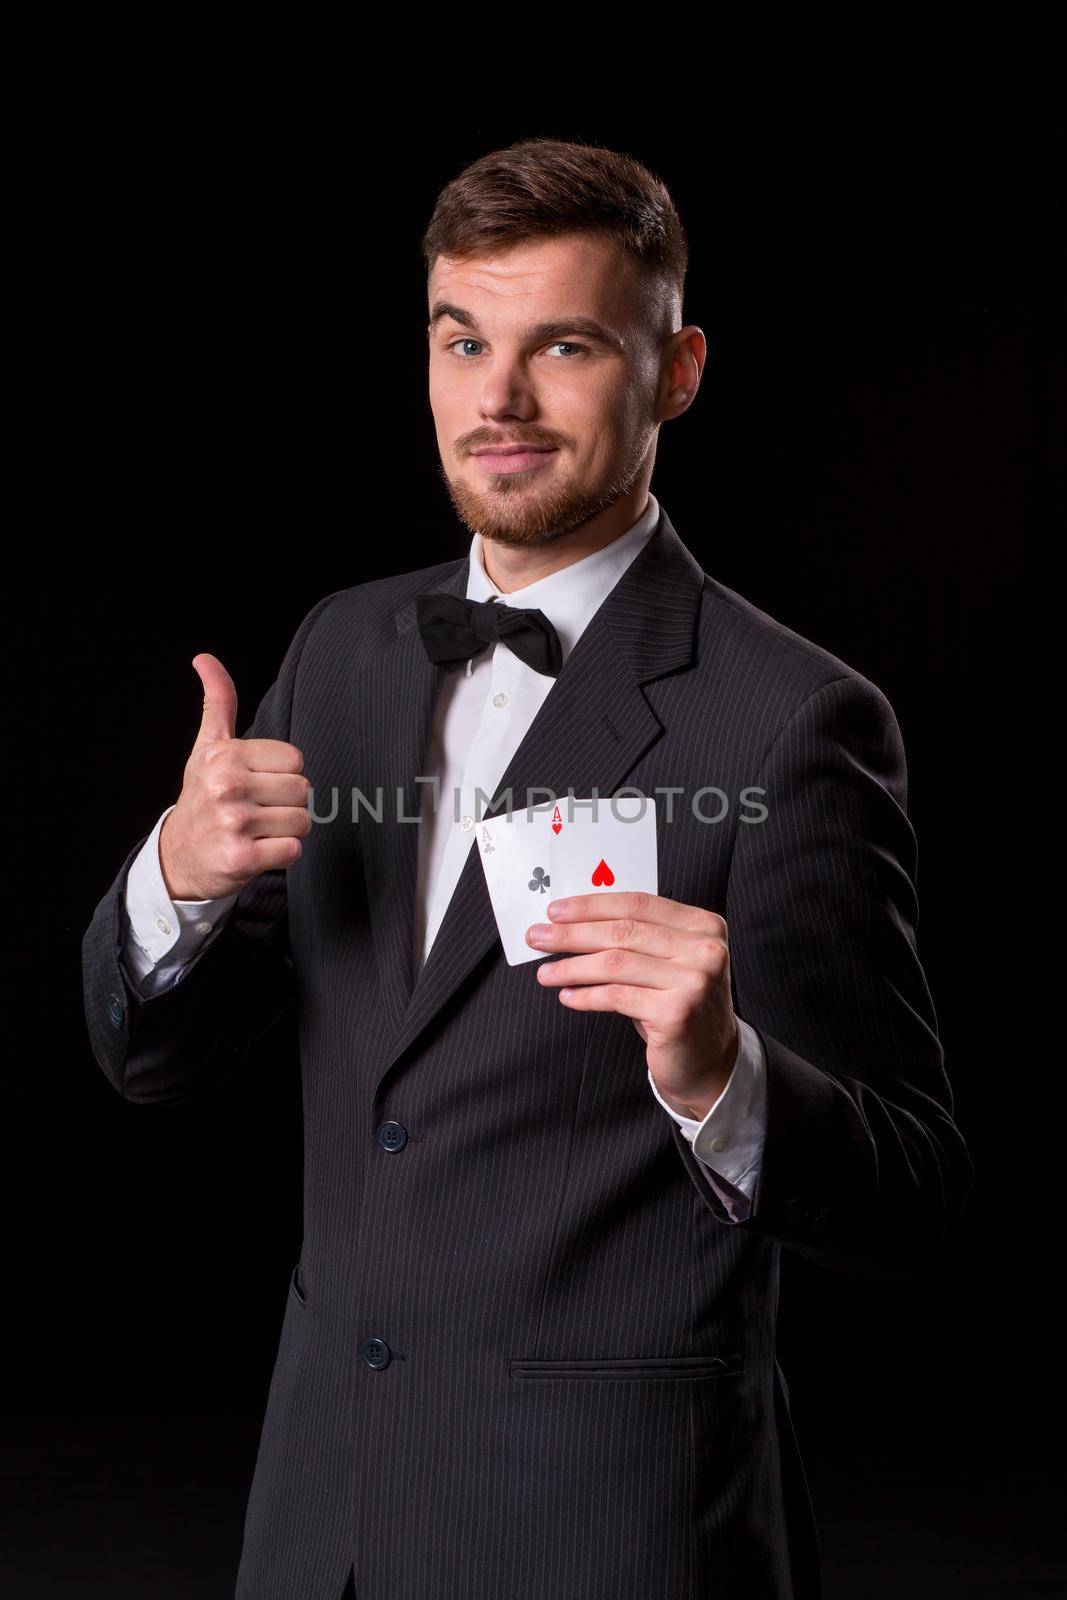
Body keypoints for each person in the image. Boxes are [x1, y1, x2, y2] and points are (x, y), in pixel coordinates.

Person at [82, 138, 975, 1600]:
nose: (496, 399)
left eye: (561, 345)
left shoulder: (797, 719)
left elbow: (916, 1196)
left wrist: (720, 1075)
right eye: (461, 342)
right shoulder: (340, 649)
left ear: (676, 371)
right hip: (322, 1519)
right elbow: (155, 1063)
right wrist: (172, 886)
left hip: (612, 1536)